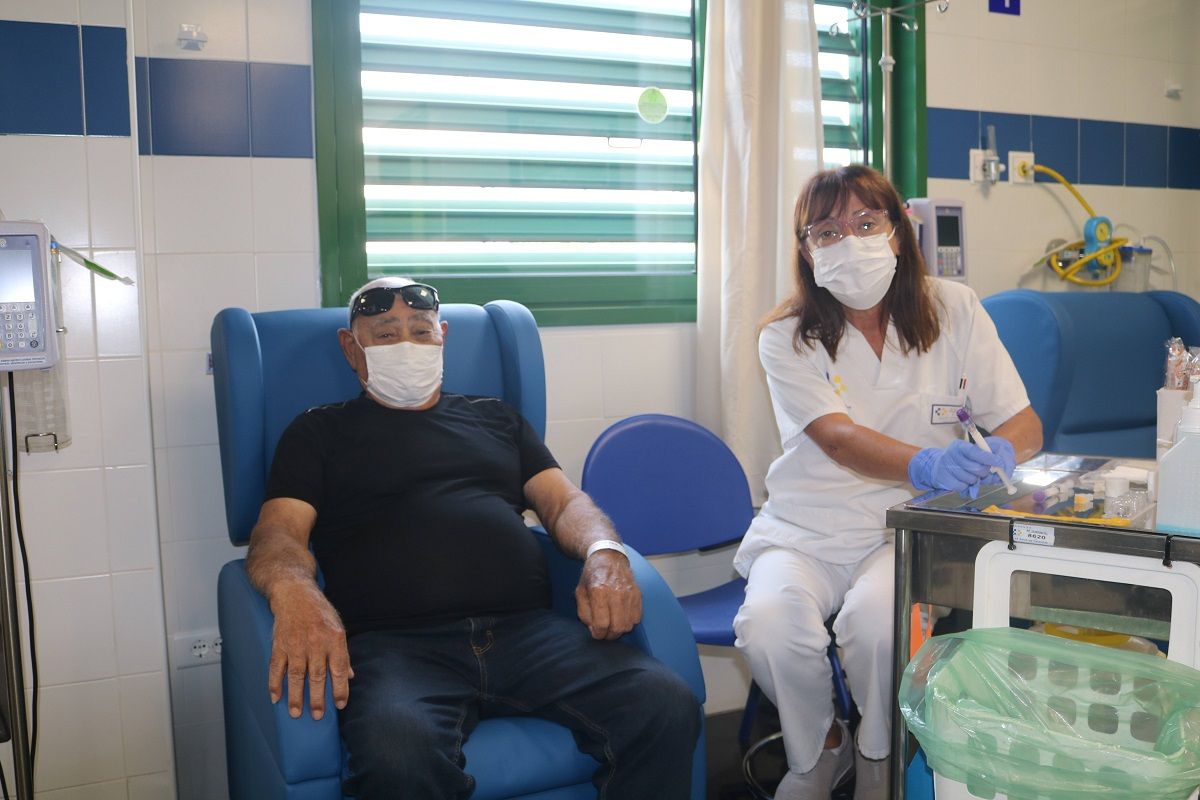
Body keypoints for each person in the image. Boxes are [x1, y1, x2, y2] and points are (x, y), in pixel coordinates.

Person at [244, 276, 701, 799]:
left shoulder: (496, 419)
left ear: (442, 337)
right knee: (398, 753)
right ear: (352, 348)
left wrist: (604, 552)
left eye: (420, 331)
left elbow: (565, 502)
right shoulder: (317, 433)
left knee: (664, 703)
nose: (408, 346)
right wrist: (294, 590)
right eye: (386, 334)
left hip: (528, 635)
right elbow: (278, 532)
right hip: (396, 648)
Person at [732, 166, 1042, 800]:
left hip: (902, 529)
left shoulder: (955, 308)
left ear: (899, 233)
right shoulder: (785, 335)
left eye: (866, 223)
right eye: (826, 231)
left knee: (878, 628)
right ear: (806, 251)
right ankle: (821, 749)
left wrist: (1006, 448)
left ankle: (879, 753)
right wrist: (925, 463)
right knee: (768, 626)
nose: (849, 240)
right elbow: (837, 439)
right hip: (805, 530)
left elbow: (1024, 420)